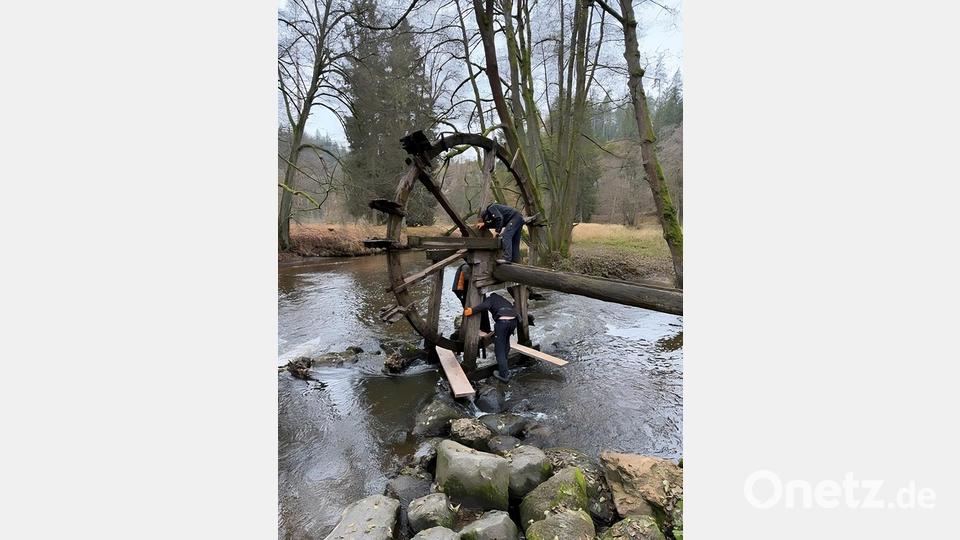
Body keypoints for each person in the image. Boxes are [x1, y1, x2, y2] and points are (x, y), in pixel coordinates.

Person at [464, 292, 518, 383]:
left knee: (499, 350)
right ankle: (505, 369)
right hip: (513, 322)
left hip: (502, 323)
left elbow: (484, 306)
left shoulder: (490, 299)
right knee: (505, 344)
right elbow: (514, 310)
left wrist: (471, 311)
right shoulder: (503, 300)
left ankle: (503, 375)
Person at [452, 263, 490, 334]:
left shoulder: (465, 267)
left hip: (468, 290)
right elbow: (466, 278)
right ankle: (479, 330)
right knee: (474, 309)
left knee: (478, 309)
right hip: (466, 290)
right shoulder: (466, 268)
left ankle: (483, 329)